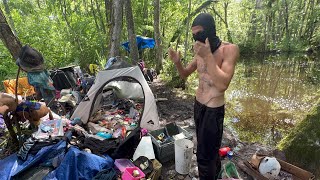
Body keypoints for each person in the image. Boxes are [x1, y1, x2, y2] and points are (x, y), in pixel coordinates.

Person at [169, 13, 239, 179]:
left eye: (199, 33)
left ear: (210, 30)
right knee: (207, 148)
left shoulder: (229, 50)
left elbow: (223, 85)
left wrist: (208, 56)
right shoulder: (200, 51)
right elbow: (185, 74)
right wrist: (178, 62)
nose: (196, 38)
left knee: (204, 156)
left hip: (213, 110)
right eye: (193, 35)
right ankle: (217, 174)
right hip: (198, 105)